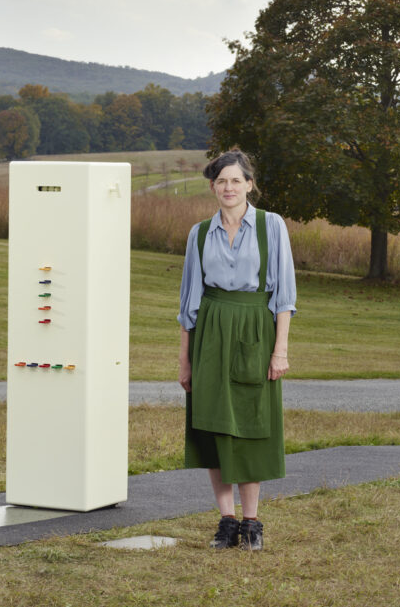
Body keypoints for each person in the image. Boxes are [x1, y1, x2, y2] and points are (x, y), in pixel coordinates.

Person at [177, 149, 296, 551]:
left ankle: (252, 522)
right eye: (220, 181)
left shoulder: (271, 226)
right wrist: (185, 359)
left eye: (235, 180)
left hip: (254, 331)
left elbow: (284, 295)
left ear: (249, 184)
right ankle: (226, 521)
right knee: (212, 426)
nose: (228, 188)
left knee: (250, 425)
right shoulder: (198, 233)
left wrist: (280, 350)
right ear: (213, 187)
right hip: (210, 332)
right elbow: (188, 303)